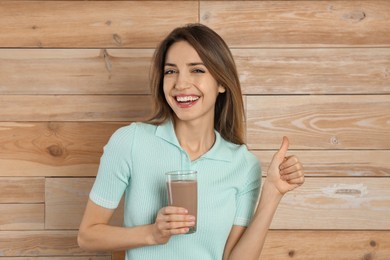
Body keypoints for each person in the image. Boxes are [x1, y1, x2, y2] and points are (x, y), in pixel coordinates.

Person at [78, 23, 304, 260]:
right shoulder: (130, 142)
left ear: (221, 82)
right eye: (170, 71)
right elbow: (87, 235)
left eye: (196, 70)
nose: (180, 84)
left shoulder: (243, 164)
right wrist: (152, 234)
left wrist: (273, 193)